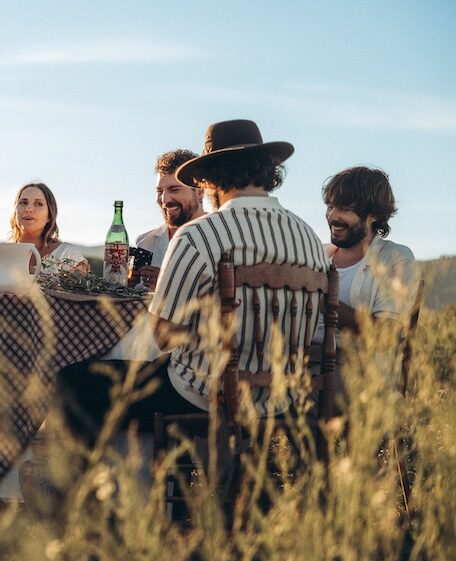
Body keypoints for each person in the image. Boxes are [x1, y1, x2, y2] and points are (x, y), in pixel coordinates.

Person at [58, 120, 328, 447]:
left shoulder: (199, 236)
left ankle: (88, 492)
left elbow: (162, 335)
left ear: (211, 179)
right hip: (281, 402)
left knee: (73, 383)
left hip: (205, 396)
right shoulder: (310, 239)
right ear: (267, 170)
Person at [320, 166, 416, 334]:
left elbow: (387, 333)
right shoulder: (314, 254)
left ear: (374, 215)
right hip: (297, 356)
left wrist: (325, 301)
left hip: (350, 359)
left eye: (345, 209)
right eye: (330, 206)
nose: (332, 216)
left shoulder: (395, 258)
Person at [131, 149, 207, 289]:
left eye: (174, 189)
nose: (164, 200)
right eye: (160, 191)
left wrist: (168, 283)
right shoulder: (145, 242)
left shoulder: (219, 238)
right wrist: (126, 285)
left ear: (200, 192)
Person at [10, 182, 88, 272]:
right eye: (23, 203)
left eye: (38, 204)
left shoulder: (67, 254)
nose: (29, 209)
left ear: (49, 216)